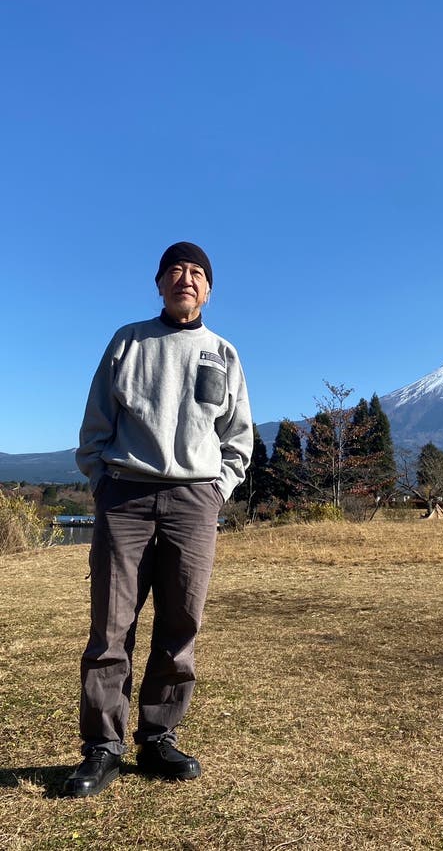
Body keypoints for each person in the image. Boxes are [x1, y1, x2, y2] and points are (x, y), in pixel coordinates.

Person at [63, 242, 253, 797]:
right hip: (125, 495)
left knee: (180, 622)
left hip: (194, 501)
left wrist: (217, 491)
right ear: (159, 283)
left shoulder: (223, 353)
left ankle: (158, 737)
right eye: (175, 270)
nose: (185, 279)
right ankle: (102, 747)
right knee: (110, 625)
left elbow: (238, 437)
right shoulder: (129, 341)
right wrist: (102, 482)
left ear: (208, 289)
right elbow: (96, 422)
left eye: (196, 272)